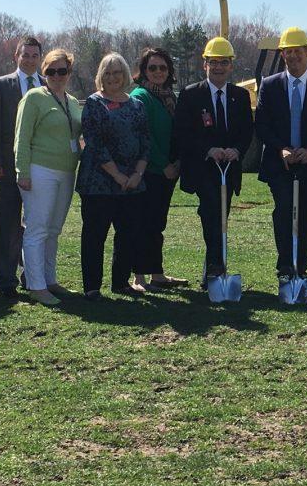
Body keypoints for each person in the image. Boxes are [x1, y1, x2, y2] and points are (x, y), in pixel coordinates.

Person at [255, 26, 307, 282]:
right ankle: (285, 267)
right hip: (280, 164)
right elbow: (262, 124)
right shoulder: (269, 86)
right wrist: (281, 147)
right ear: (283, 55)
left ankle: (300, 267)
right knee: (283, 212)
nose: (293, 57)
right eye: (288, 52)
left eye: (297, 52)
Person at [174, 37, 253, 286]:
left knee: (221, 216)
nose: (218, 67)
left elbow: (246, 131)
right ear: (204, 64)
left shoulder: (240, 96)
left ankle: (213, 269)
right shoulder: (191, 95)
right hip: (203, 169)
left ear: (231, 66)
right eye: (213, 62)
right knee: (212, 215)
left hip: (228, 169)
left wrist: (236, 150)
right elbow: (183, 132)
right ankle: (215, 268)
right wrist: (208, 149)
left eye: (224, 62)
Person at [76, 52, 149, 299]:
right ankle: (92, 287)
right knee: (95, 235)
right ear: (100, 76)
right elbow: (94, 143)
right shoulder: (94, 103)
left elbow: (145, 141)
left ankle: (120, 282)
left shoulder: (137, 105)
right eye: (107, 73)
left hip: (132, 183)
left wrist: (138, 173)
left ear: (125, 74)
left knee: (128, 234)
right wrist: (117, 175)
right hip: (98, 183)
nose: (113, 77)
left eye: (117, 72)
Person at [14, 48, 81, 306]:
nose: (56, 75)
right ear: (44, 73)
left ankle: (50, 280)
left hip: (66, 172)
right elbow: (22, 138)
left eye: (61, 70)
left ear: (69, 72)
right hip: (40, 171)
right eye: (51, 71)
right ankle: (36, 285)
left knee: (54, 230)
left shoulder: (73, 102)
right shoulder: (34, 98)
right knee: (37, 229)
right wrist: (23, 172)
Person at [0, 35, 43, 298]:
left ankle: (33, 275)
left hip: (39, 169)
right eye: (25, 55)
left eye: (34, 55)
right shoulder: (1, 85)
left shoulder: (47, 85)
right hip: (6, 169)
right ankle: (5, 279)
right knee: (6, 223)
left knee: (36, 225)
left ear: (40, 58)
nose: (29, 59)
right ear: (16, 57)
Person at [129, 47, 187, 291]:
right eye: (152, 67)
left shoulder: (171, 97)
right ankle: (139, 277)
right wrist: (163, 165)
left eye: (162, 67)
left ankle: (157, 273)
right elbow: (145, 137)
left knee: (157, 223)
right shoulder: (141, 96)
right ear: (143, 71)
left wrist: (177, 163)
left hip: (169, 171)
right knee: (143, 223)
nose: (158, 72)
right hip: (150, 171)